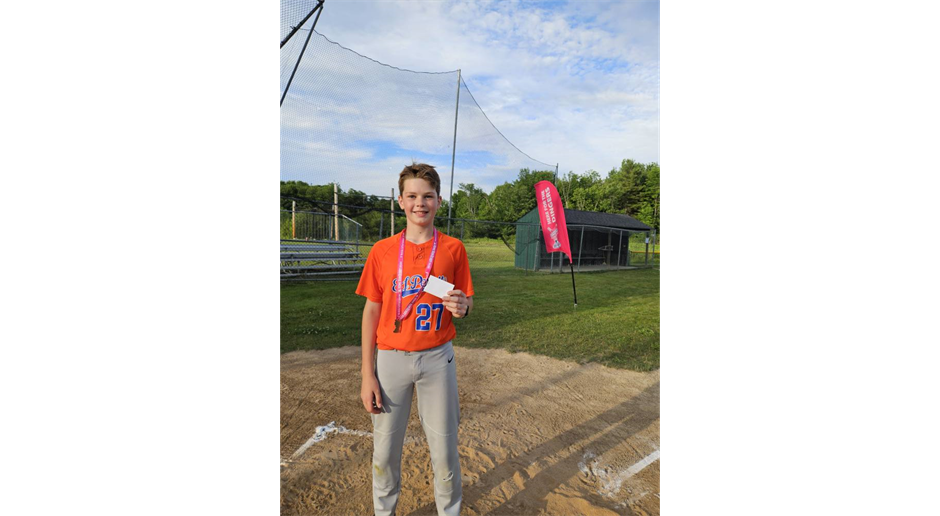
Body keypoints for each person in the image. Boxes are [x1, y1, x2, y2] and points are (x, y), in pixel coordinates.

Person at [356, 163, 474, 516]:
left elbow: (465, 301)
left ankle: (448, 511)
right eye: (412, 196)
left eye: (427, 196)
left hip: (438, 359)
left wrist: (462, 306)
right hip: (390, 359)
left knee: (444, 449)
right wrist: (367, 374)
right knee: (385, 450)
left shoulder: (453, 248)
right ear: (400, 202)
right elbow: (371, 312)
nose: (419, 203)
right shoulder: (382, 250)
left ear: (439, 201)